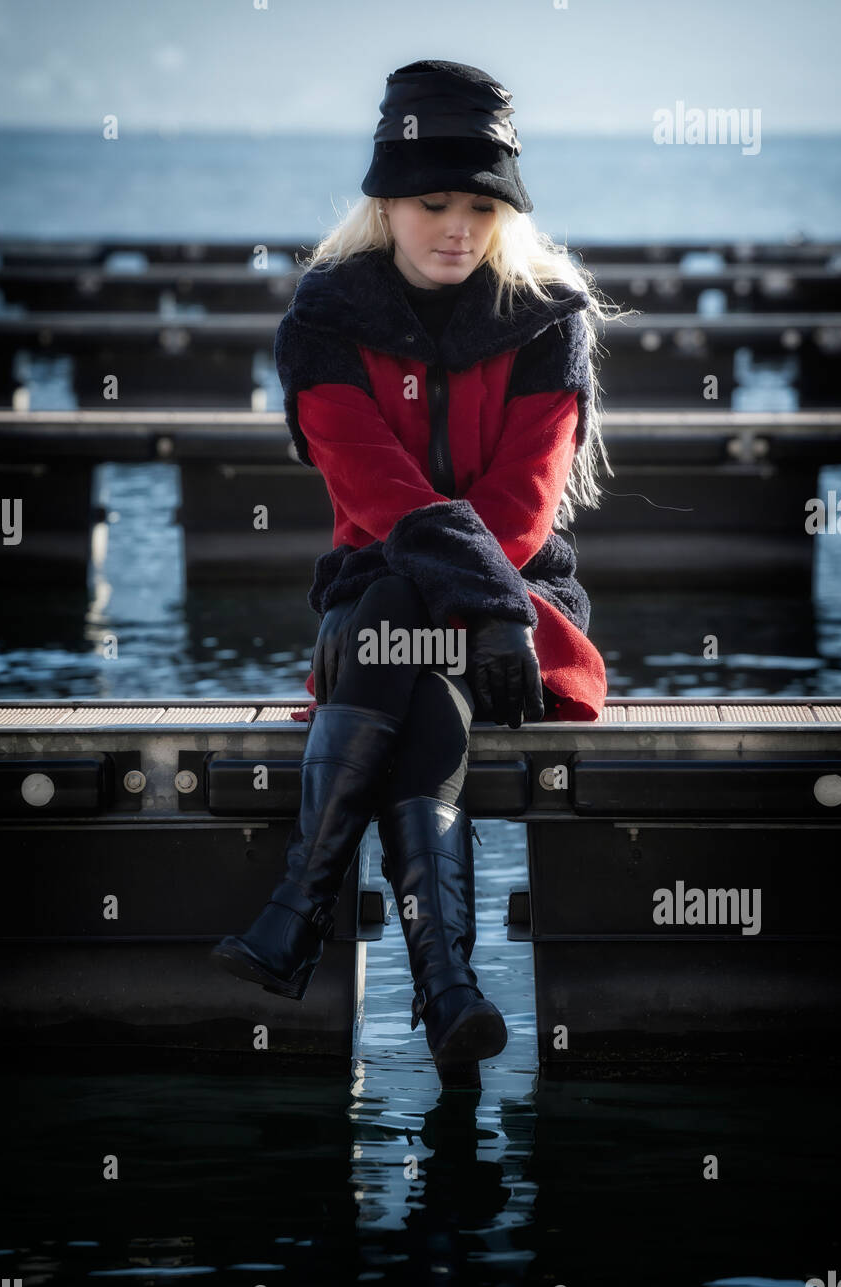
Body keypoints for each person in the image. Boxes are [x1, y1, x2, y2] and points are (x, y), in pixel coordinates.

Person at [212, 58, 617, 1082]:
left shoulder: (546, 316)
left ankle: (296, 911)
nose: (457, 226)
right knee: (394, 599)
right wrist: (474, 606)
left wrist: (487, 607)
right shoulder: (324, 318)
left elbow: (522, 509)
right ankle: (446, 993)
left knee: (398, 609)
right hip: (415, 607)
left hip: (518, 612)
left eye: (481, 206)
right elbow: (375, 488)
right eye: (432, 201)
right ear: (386, 201)